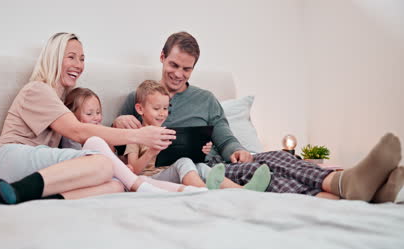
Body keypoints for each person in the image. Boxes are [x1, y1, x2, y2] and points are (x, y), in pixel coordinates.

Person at [113, 31, 403, 203]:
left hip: (221, 164)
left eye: (187, 69)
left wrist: (236, 149)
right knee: (271, 173)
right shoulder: (138, 99)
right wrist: (118, 124)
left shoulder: (206, 99)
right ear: (162, 57)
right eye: (174, 64)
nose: (178, 74)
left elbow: (223, 133)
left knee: (275, 158)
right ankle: (353, 188)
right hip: (202, 175)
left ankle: (354, 187)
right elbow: (120, 150)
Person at [0, 32, 192, 210]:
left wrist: (117, 128)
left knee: (115, 185)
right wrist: (138, 135)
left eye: (82, 58)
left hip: (25, 173)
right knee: (102, 163)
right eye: (71, 57)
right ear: (54, 58)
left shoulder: (62, 102)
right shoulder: (38, 90)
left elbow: (86, 133)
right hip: (4, 161)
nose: (78, 65)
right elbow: (79, 132)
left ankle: (21, 198)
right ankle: (15, 191)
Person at [124, 80, 271, 191]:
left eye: (165, 108)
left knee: (199, 165)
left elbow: (177, 159)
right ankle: (204, 192)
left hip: (171, 174)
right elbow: (133, 170)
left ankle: (241, 191)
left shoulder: (167, 131)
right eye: (156, 108)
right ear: (140, 108)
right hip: (149, 179)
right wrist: (151, 152)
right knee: (184, 162)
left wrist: (198, 150)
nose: (162, 113)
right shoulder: (135, 135)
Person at [58, 86, 208, 193]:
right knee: (135, 181)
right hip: (111, 177)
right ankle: (193, 192)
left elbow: (119, 161)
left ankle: (197, 191)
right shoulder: (72, 137)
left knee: (196, 166)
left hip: (123, 176)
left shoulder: (105, 134)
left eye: (98, 112)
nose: (97, 117)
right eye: (89, 114)